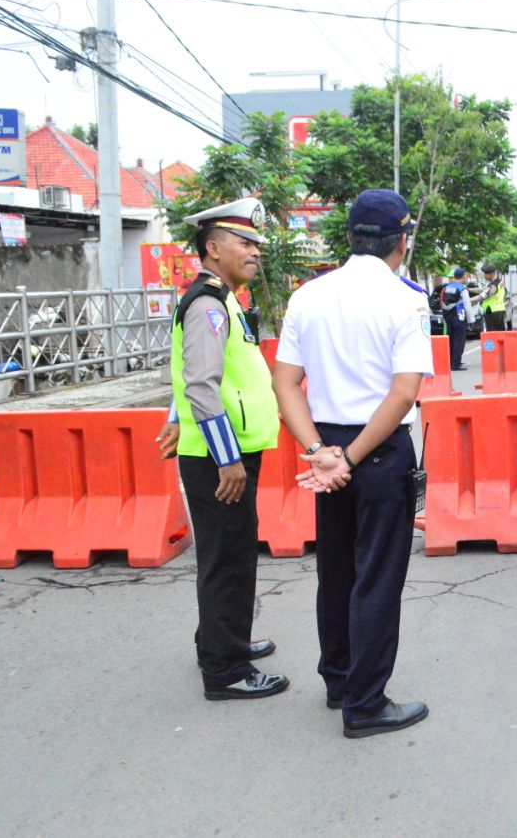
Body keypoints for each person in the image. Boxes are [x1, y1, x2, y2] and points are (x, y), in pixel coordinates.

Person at [271, 188, 434, 739]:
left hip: (326, 447)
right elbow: (405, 392)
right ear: (401, 242)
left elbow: (285, 383)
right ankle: (365, 704)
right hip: (379, 450)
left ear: (349, 238)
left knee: (335, 571)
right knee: (378, 577)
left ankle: (339, 680)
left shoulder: (307, 297)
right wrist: (352, 458)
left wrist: (321, 453)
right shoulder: (406, 299)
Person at [156, 198, 288, 701]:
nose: (255, 251)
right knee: (227, 561)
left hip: (222, 449)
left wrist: (174, 419)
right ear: (213, 249)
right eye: (245, 243)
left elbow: (190, 372)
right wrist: (227, 457)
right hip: (220, 458)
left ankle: (224, 640)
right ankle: (225, 670)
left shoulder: (224, 297)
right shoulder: (210, 303)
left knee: (231, 554)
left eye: (256, 243)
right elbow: (202, 385)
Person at [440, 268, 475, 371]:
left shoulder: (447, 287)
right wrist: (471, 321)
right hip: (459, 316)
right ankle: (456, 364)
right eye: (466, 276)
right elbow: (467, 305)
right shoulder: (462, 288)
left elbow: (443, 302)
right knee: (459, 340)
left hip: (448, 316)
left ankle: (450, 362)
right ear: (463, 276)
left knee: (450, 339)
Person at [479, 263, 508, 332]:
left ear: (491, 274)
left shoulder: (495, 283)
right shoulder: (495, 282)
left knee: (495, 334)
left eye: (485, 274)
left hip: (495, 312)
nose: (484, 276)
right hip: (494, 311)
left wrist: (475, 299)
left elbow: (489, 292)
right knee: (496, 333)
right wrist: (469, 290)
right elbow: (484, 290)